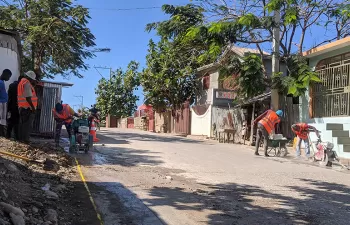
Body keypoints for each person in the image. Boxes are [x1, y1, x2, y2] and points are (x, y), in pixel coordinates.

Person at [17, 71, 37, 143]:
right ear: (29, 78)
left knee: (23, 124)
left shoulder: (21, 82)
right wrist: (33, 108)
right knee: (27, 125)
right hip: (27, 108)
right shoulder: (27, 83)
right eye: (32, 79)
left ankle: (22, 139)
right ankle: (25, 140)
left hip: (22, 107)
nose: (32, 81)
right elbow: (28, 97)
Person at [6, 76, 22, 140]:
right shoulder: (19, 86)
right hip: (17, 106)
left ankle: (8, 135)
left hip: (10, 106)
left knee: (10, 121)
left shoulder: (11, 85)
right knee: (16, 122)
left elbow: (9, 96)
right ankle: (16, 136)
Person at [0, 69, 12, 136]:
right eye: (9, 76)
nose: (9, 78)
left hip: (3, 103)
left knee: (2, 120)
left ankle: (2, 134)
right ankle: (2, 134)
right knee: (1, 121)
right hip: (1, 104)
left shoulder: (2, 82)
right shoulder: (0, 82)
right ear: (6, 74)